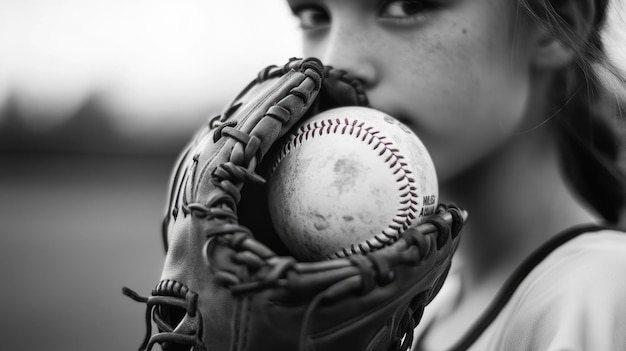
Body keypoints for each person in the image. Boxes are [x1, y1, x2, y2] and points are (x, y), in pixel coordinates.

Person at [285, 0, 626, 349]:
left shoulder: (603, 293)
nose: (335, 62)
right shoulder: (419, 311)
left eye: (405, 7)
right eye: (315, 16)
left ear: (559, 25)